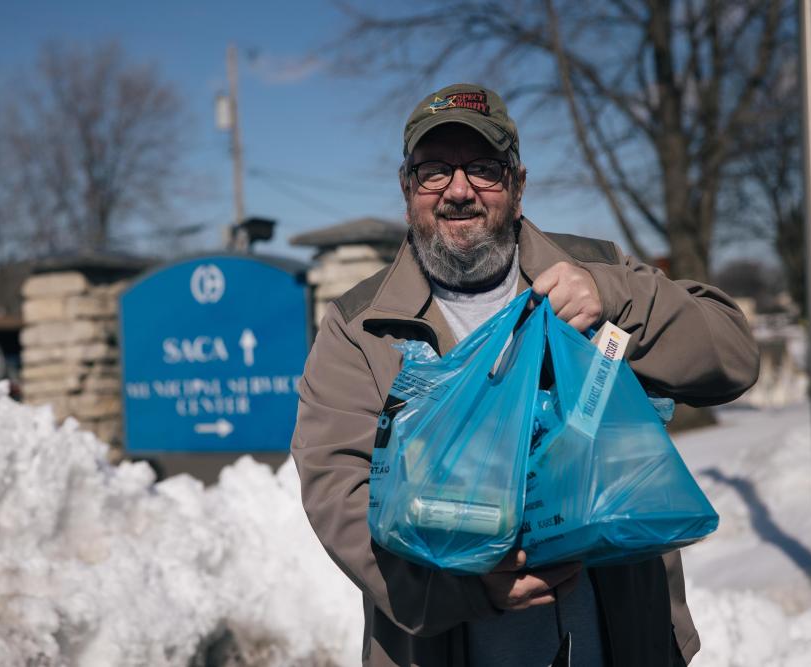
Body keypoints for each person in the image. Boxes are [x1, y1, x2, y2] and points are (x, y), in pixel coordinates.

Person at [291, 83, 759, 667]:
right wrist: (461, 590)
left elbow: (733, 357)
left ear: (517, 184)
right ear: (407, 187)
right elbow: (338, 489)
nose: (458, 191)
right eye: (435, 170)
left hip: (623, 642)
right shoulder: (363, 327)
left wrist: (615, 296)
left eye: (484, 169)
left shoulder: (596, 270)